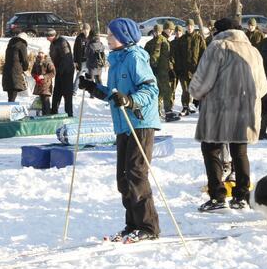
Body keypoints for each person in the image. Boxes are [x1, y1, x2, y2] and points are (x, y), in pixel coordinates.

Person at [78, 18, 161, 243]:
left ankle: (148, 226)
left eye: (111, 35)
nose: (107, 38)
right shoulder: (115, 60)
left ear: (124, 36)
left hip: (140, 123)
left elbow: (151, 89)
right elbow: (114, 95)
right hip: (123, 124)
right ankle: (132, 224)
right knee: (123, 178)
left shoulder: (135, 57)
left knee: (136, 174)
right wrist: (93, 88)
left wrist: (131, 100)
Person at [189, 18, 267, 211]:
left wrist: (195, 92)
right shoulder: (254, 51)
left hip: (218, 110)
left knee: (212, 149)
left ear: (219, 31)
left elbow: (203, 81)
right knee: (240, 152)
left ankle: (217, 197)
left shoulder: (217, 47)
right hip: (245, 111)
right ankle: (242, 196)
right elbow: (263, 87)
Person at [144, 24, 177, 122]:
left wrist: (171, 68)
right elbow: (152, 56)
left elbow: (168, 57)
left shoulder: (164, 41)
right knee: (165, 92)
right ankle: (167, 113)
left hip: (163, 70)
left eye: (158, 31)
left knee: (160, 92)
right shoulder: (156, 42)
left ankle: (159, 112)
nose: (157, 33)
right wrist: (152, 67)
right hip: (159, 71)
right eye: (155, 31)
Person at [172, 20, 206, 115]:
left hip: (196, 69)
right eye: (187, 26)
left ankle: (201, 106)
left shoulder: (199, 38)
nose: (189, 27)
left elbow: (204, 53)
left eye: (191, 25)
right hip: (184, 69)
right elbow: (177, 55)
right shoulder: (182, 39)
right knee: (185, 90)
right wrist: (179, 68)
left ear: (193, 26)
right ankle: (185, 107)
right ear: (186, 27)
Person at [48, 29, 74, 116]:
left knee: (67, 94)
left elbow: (67, 58)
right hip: (59, 71)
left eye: (48, 36)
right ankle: (54, 111)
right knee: (57, 92)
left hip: (67, 71)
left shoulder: (62, 42)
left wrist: (61, 70)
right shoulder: (53, 43)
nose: (47, 39)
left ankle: (69, 113)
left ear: (53, 36)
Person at [1, 32, 29, 102]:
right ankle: (11, 106)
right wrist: (25, 68)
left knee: (10, 90)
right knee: (14, 90)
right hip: (16, 70)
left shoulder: (10, 44)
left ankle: (10, 104)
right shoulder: (22, 44)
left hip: (7, 69)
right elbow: (25, 59)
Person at [31, 50, 55, 115]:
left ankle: (47, 114)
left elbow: (53, 73)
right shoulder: (36, 62)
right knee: (42, 100)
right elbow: (32, 72)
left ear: (45, 54)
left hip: (46, 84)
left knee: (46, 100)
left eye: (42, 53)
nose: (40, 54)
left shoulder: (48, 62)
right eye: (39, 53)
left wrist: (44, 76)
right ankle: (44, 114)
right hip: (39, 84)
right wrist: (35, 76)